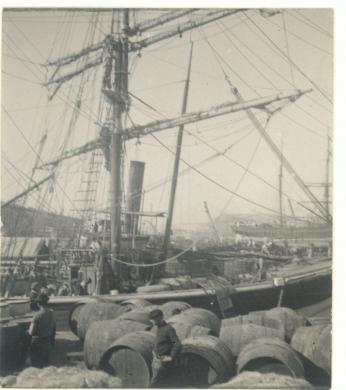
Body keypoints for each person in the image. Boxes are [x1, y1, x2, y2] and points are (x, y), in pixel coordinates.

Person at [149, 309, 181, 387]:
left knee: (154, 384)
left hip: (162, 362)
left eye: (153, 319)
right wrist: (154, 351)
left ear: (160, 318)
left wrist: (171, 356)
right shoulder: (158, 328)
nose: (151, 321)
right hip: (156, 360)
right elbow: (160, 342)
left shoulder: (168, 329)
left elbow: (177, 344)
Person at [28, 293, 56, 368]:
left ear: (38, 304)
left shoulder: (37, 315)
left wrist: (27, 331)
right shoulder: (52, 313)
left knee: (36, 367)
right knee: (46, 367)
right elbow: (53, 327)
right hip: (47, 341)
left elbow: (31, 332)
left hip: (37, 343)